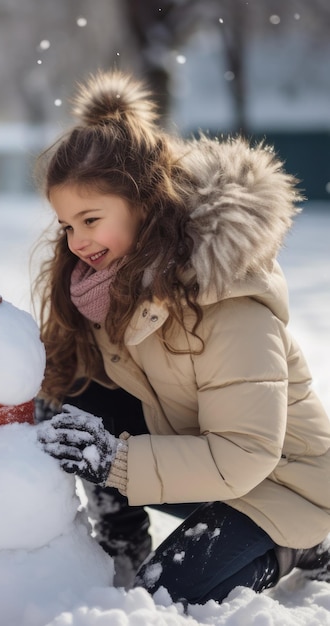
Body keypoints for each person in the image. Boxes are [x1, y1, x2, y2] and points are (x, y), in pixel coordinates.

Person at [35, 69, 330, 605]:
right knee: (70, 390)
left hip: (286, 482)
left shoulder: (230, 304)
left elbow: (246, 451)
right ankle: (121, 541)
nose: (76, 241)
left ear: (145, 204)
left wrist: (116, 462)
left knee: (163, 594)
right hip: (207, 470)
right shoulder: (110, 289)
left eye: (90, 219)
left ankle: (307, 546)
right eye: (66, 225)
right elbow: (84, 394)